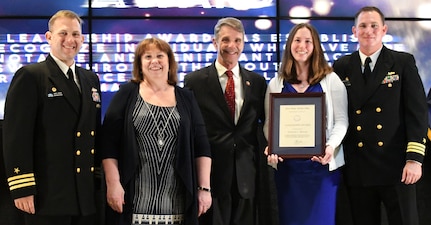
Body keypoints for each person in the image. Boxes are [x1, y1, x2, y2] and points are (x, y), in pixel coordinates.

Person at [2, 10, 102, 225]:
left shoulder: (90, 79)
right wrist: (22, 187)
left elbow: (94, 134)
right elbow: (16, 137)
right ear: (49, 37)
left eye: (75, 34)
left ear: (82, 39)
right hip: (46, 195)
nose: (70, 40)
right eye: (63, 33)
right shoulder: (31, 76)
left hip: (83, 194)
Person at [100, 37, 212, 225]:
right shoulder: (126, 94)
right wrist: (113, 183)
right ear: (139, 64)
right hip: (133, 201)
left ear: (169, 62)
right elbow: (108, 144)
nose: (154, 61)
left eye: (160, 56)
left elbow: (202, 146)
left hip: (178, 204)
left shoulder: (186, 97)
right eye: (148, 57)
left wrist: (204, 188)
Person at [332, 6, 428, 225]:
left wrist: (414, 159)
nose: (369, 31)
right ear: (354, 31)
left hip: (396, 166)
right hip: (358, 167)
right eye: (363, 26)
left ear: (384, 29)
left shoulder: (402, 62)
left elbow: (417, 113)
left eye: (374, 25)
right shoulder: (342, 66)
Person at [184, 17, 267, 225]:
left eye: (238, 40)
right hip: (211, 179)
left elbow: (266, 126)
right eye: (226, 40)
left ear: (244, 43)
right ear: (215, 42)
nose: (232, 46)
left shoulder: (256, 82)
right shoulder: (194, 81)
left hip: (247, 178)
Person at [264, 23, 348, 225]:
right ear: (289, 45)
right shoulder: (277, 82)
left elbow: (342, 121)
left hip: (322, 169)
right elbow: (269, 123)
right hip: (289, 172)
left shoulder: (331, 79)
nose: (302, 46)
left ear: (316, 46)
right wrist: (273, 145)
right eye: (297, 40)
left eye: (308, 41)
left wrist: (330, 146)